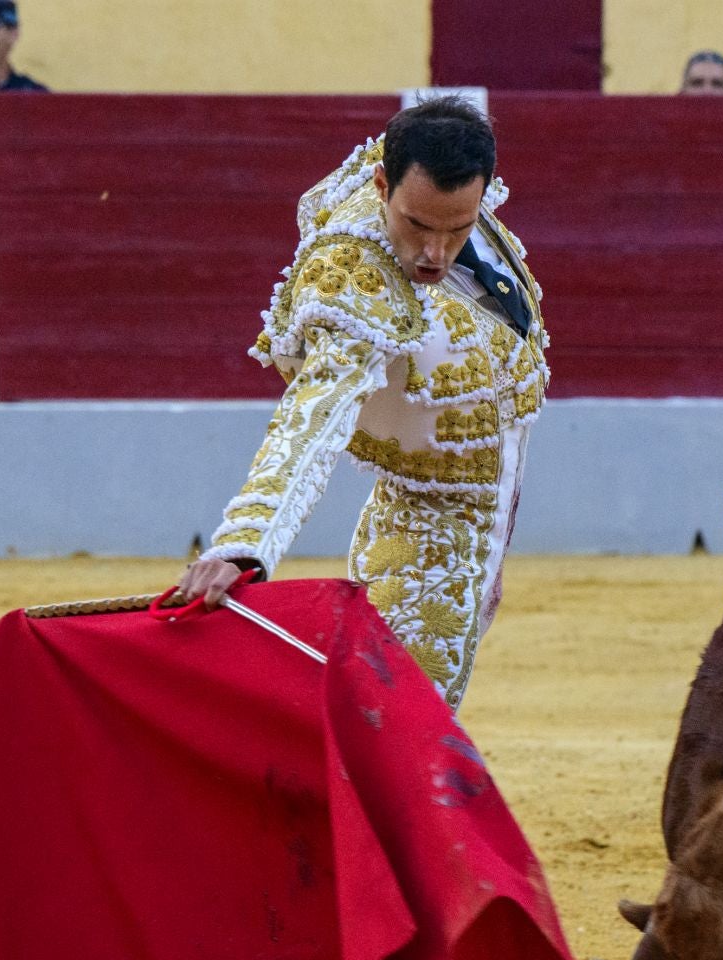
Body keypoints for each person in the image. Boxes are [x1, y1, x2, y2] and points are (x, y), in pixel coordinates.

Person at [175, 99, 550, 711]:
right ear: (382, 185)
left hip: (472, 531)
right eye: (417, 225)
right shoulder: (356, 278)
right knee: (393, 732)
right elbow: (312, 415)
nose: (435, 253)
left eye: (456, 228)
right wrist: (244, 544)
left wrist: (492, 547)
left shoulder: (447, 200)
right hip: (423, 544)